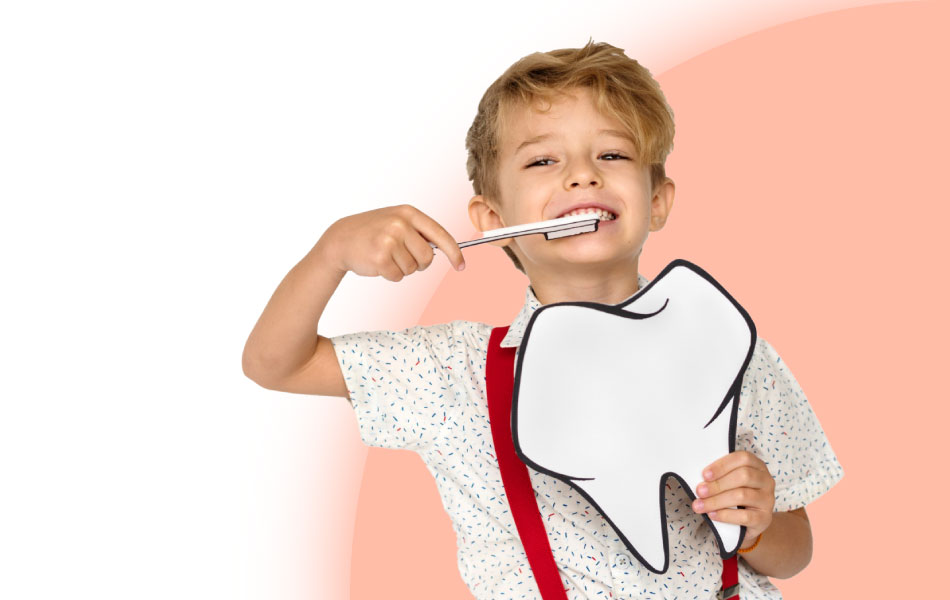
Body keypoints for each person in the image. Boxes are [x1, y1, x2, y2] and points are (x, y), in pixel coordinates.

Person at [242, 40, 843, 599]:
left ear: (657, 202)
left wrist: (758, 525)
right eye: (543, 160)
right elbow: (276, 364)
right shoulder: (453, 373)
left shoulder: (727, 348)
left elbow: (796, 552)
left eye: (612, 154)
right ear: (493, 220)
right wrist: (331, 253)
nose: (582, 174)